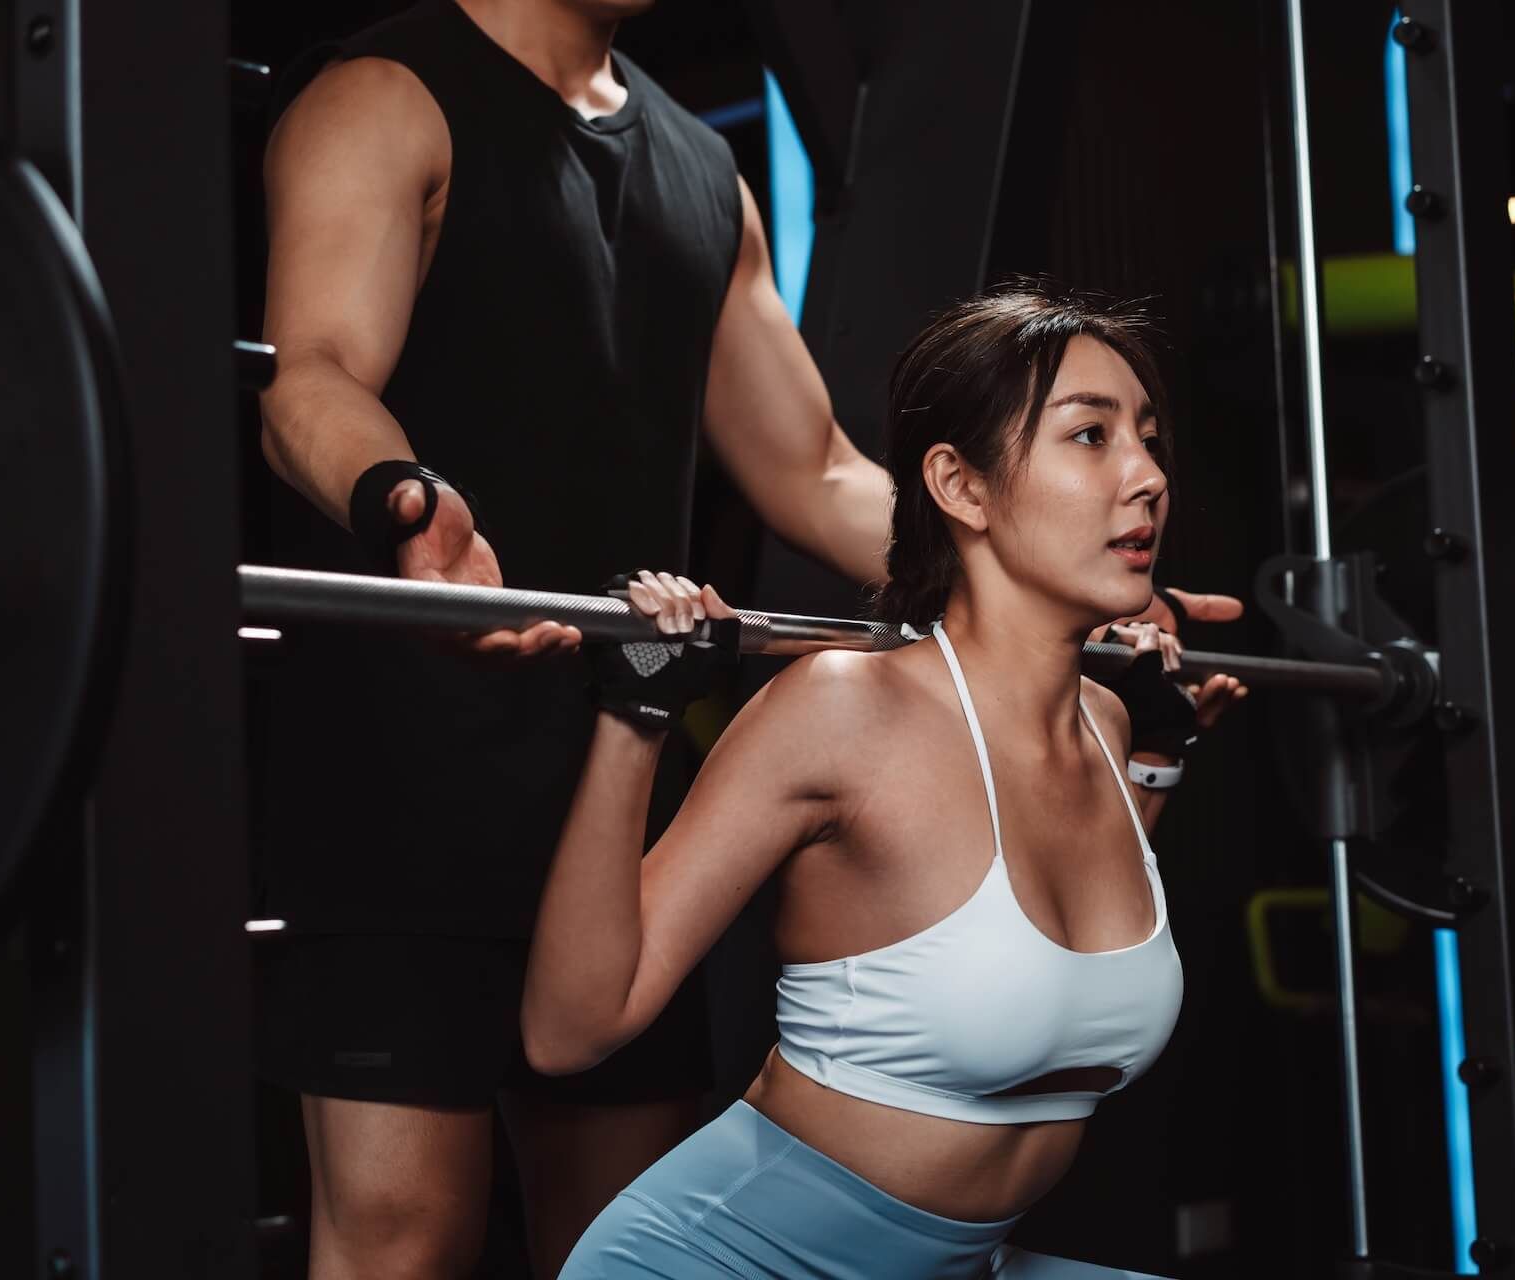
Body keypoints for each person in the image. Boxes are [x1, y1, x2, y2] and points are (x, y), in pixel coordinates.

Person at [252, 1, 890, 1275]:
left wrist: (1048, 578)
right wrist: (409, 505)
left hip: (611, 803)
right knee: (403, 1244)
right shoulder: (385, 98)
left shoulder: (705, 172)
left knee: (622, 1249)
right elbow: (312, 373)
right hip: (402, 789)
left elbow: (817, 469)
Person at [524, 286, 1234, 1278]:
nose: (1148, 475)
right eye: (1090, 436)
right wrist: (635, 714)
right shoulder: (841, 708)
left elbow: (1050, 956)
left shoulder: (1108, 725)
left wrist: (1161, 754)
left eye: (1149, 439)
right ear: (961, 485)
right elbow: (569, 1029)